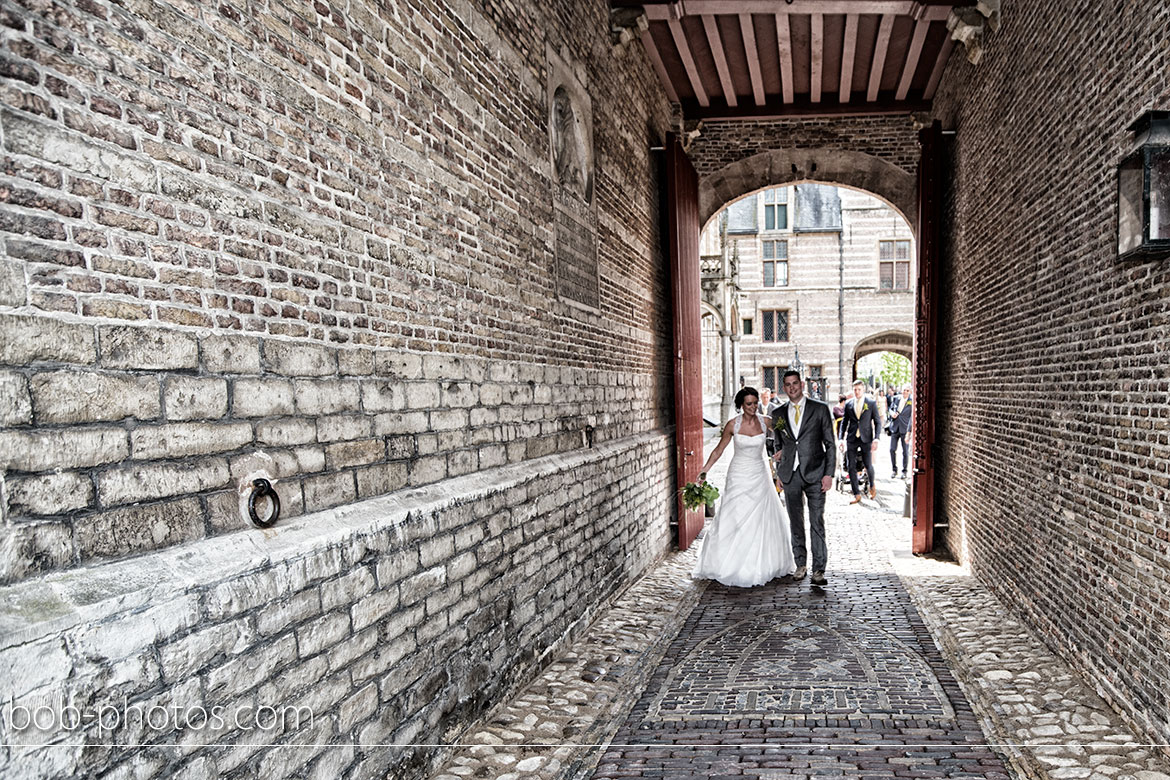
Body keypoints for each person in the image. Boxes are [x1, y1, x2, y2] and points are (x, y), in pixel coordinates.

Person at [692, 387, 796, 587]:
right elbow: (719, 450)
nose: (753, 407)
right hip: (738, 474)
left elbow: (789, 432)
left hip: (759, 473)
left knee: (762, 517)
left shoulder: (767, 421)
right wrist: (705, 470)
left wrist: (782, 449)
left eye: (755, 403)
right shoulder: (732, 425)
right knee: (735, 516)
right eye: (749, 404)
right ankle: (731, 562)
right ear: (741, 405)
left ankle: (762, 562)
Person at [770, 371, 836, 587]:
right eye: (787, 385)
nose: (792, 388)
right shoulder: (778, 414)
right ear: (784, 387)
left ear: (802, 384)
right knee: (795, 521)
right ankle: (800, 564)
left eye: (795, 384)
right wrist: (780, 470)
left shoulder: (820, 409)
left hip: (816, 473)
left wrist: (829, 474)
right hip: (790, 474)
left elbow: (830, 444)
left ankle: (819, 569)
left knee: (817, 521)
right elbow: (779, 442)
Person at [839, 379, 882, 504]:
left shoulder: (871, 403)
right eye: (855, 390)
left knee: (867, 464)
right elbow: (844, 422)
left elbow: (878, 422)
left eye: (859, 390)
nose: (857, 392)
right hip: (852, 438)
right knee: (851, 466)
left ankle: (872, 485)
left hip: (866, 438)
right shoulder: (848, 404)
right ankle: (856, 494)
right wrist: (841, 439)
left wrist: (876, 438)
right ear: (853, 390)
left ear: (863, 390)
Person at [888, 384, 913, 479]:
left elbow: (911, 417)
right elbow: (890, 408)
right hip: (895, 427)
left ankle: (904, 471)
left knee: (905, 451)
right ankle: (894, 469)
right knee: (892, 449)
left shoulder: (911, 401)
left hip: (905, 429)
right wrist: (892, 413)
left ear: (910, 392)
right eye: (904, 390)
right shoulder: (896, 398)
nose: (905, 392)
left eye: (907, 390)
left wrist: (909, 431)